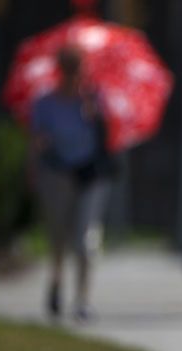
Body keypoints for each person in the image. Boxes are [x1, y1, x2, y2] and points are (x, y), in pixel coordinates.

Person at [29, 46, 118, 321]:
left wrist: (96, 115)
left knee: (85, 239)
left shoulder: (95, 99)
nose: (72, 75)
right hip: (57, 175)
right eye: (67, 69)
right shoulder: (44, 103)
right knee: (58, 237)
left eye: (77, 69)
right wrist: (34, 165)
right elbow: (36, 142)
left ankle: (82, 299)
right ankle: (56, 282)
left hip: (90, 176)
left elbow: (110, 136)